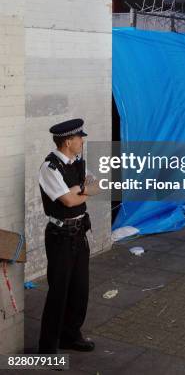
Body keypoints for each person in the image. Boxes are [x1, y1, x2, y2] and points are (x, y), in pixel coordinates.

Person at [38, 118, 99, 354]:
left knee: (79, 290)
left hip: (79, 233)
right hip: (60, 237)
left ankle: (71, 336)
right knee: (58, 293)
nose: (82, 140)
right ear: (67, 141)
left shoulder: (79, 162)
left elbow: (99, 185)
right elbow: (69, 201)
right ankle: (48, 349)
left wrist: (80, 190)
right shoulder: (50, 168)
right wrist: (82, 191)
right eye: (79, 137)